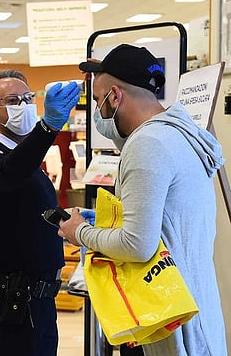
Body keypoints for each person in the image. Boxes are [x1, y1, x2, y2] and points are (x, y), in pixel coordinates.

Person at [58, 44, 227, 355]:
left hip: (168, 314)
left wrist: (79, 232)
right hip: (195, 301)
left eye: (98, 101)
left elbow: (137, 245)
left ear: (115, 96)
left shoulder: (147, 143)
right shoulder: (182, 134)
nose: (99, 112)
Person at [0, 69, 81, 356]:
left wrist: (71, 219)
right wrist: (48, 127)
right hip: (12, 300)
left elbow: (27, 209)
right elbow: (9, 174)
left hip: (36, 300)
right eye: (14, 100)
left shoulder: (24, 158)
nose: (24, 106)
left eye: (29, 98)